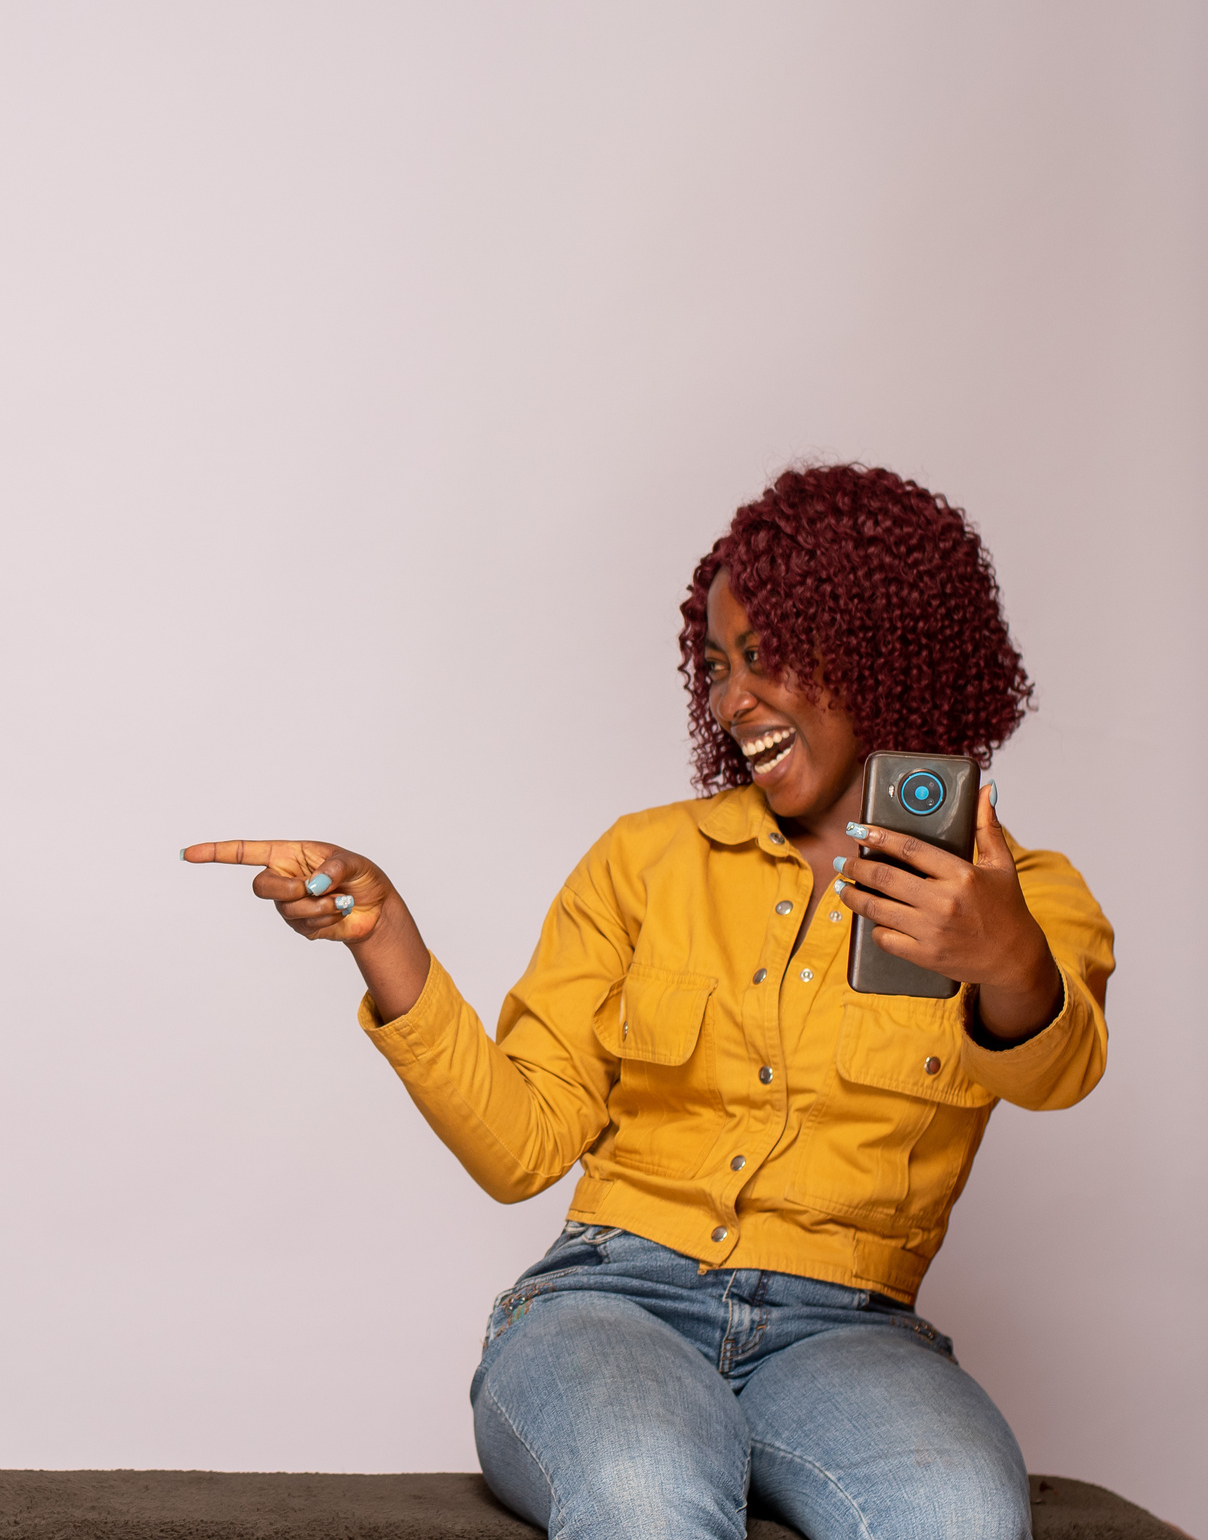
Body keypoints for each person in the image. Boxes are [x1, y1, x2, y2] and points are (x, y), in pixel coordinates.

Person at [185, 464, 1112, 1540]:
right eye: (716, 668)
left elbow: (1058, 1071)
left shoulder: (1025, 895)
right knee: (644, 1498)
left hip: (850, 1333)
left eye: (767, 659)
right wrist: (388, 937)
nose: (732, 701)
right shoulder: (644, 861)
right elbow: (521, 1147)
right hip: (612, 1304)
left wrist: (1002, 956)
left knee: (959, 1516)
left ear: (876, 645)